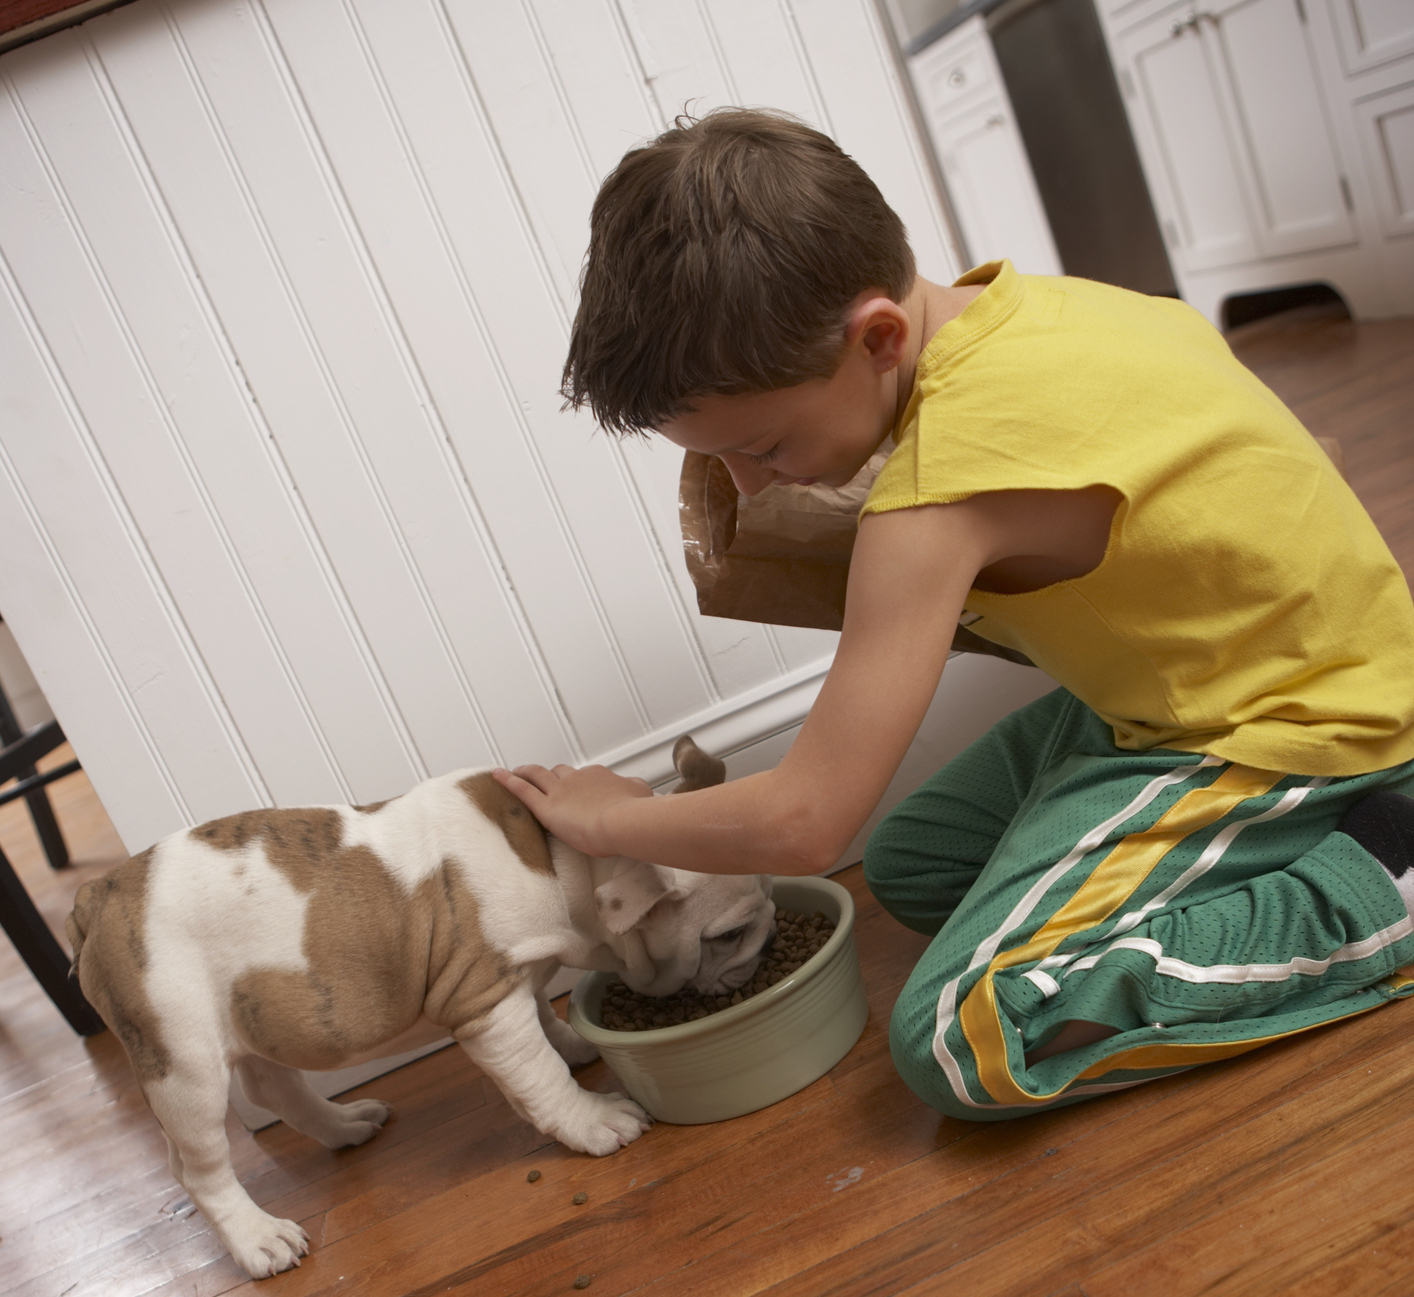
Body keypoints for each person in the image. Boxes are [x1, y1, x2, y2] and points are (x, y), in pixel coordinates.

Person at [492, 108, 1414, 1119]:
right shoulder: (1023, 305)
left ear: (877, 338)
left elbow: (805, 823)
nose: (745, 489)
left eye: (760, 447)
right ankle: (1254, 848)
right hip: (1221, 663)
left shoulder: (936, 500)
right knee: (914, 863)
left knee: (966, 1033)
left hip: (1293, 720)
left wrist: (610, 815)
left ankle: (1375, 893)